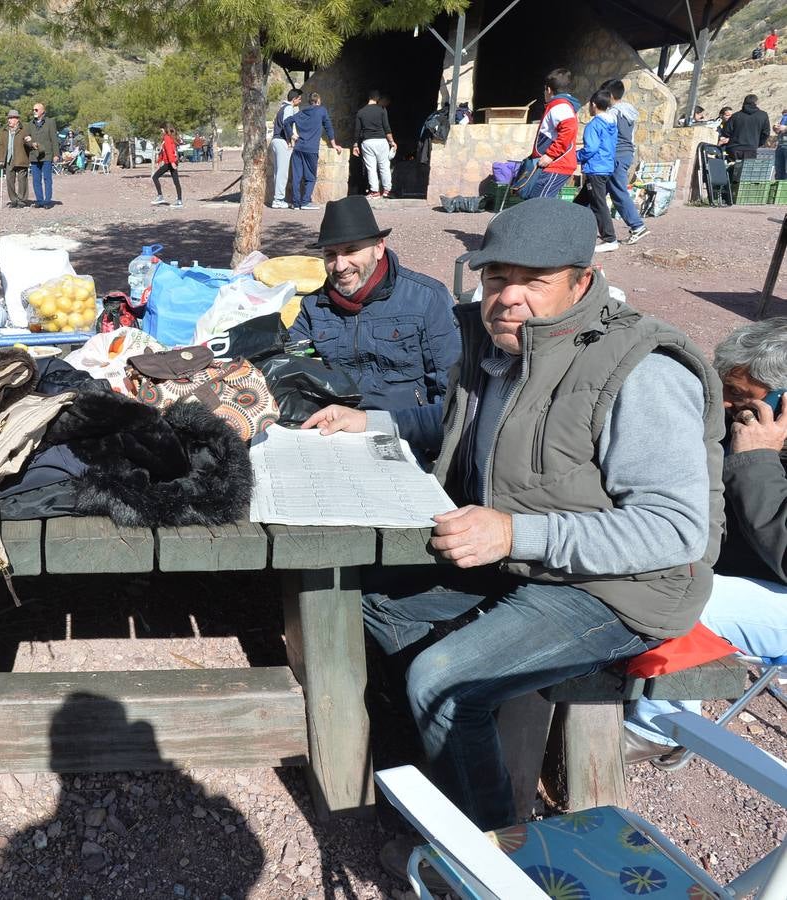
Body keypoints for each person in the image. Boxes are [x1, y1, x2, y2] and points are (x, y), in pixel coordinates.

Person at [308, 198, 722, 857]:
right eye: (497, 277)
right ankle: (453, 759)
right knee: (370, 602)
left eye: (534, 280)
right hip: (524, 562)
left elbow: (673, 531)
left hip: (619, 588)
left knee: (442, 677)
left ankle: (495, 856)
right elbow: (459, 431)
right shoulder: (488, 340)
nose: (508, 297)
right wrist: (375, 423)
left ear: (580, 283)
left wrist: (515, 535)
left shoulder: (639, 370)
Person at [625, 319, 787, 764]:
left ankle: (658, 727)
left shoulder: (759, 444)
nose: (724, 403)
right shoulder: (744, 424)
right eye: (723, 386)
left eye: (740, 397)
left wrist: (756, 460)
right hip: (745, 572)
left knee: (688, 596)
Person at [285, 195, 459, 451]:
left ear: (379, 248)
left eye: (351, 250)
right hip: (334, 435)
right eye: (331, 254)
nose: (340, 265)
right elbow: (288, 359)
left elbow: (452, 397)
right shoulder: (314, 307)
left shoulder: (426, 299)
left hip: (406, 436)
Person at [518, 69, 580, 199]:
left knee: (540, 204)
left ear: (549, 89)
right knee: (538, 202)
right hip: (553, 164)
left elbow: (569, 129)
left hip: (556, 165)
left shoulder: (560, 106)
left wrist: (550, 155)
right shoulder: (558, 105)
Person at [600, 79, 648, 245]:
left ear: (610, 95)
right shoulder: (628, 112)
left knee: (618, 191)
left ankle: (637, 226)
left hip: (616, 155)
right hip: (626, 153)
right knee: (596, 192)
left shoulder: (613, 113)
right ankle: (578, 223)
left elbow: (608, 137)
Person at [575, 89, 620, 253]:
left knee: (598, 204)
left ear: (593, 105)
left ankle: (610, 238)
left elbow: (591, 148)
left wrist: (575, 157)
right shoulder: (612, 124)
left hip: (595, 169)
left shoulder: (593, 125)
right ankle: (571, 231)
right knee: (579, 204)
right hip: (606, 167)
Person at [288, 91, 338, 211]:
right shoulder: (321, 110)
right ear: (318, 101)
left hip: (298, 148)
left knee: (297, 177)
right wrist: (334, 144)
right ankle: (305, 202)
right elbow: (328, 127)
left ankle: (295, 203)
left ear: (309, 102)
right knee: (310, 177)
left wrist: (292, 135)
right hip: (311, 149)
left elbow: (286, 122)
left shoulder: (302, 112)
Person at [353, 89, 396, 199]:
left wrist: (355, 145)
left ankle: (374, 192)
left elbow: (357, 130)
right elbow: (387, 128)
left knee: (371, 168)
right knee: (384, 166)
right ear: (377, 98)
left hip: (367, 142)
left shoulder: (360, 112)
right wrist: (392, 142)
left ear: (369, 98)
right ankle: (387, 190)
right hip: (381, 141)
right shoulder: (382, 110)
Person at [270, 89, 303, 208]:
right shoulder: (289, 108)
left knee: (277, 172)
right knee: (282, 172)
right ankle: (278, 200)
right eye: (299, 99)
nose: (300, 101)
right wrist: (291, 139)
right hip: (282, 141)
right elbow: (287, 124)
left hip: (275, 141)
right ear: (294, 99)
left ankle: (277, 198)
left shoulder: (281, 108)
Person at [26, 101, 58, 209]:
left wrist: (56, 154)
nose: (34, 111)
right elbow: (26, 138)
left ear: (42, 111)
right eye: (33, 110)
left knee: (47, 179)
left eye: (36, 109)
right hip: (34, 156)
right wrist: (31, 143)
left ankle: (47, 201)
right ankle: (39, 201)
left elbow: (54, 139)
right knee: (36, 180)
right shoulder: (30, 124)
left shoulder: (50, 122)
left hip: (47, 155)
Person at [0, 110, 31, 208]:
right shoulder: (4, 131)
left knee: (22, 180)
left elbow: (29, 142)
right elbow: (1, 146)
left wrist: (29, 141)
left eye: (12, 118)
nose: (9, 120)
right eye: (9, 118)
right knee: (9, 180)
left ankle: (22, 200)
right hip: (8, 159)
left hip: (21, 157)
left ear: (17, 119)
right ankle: (14, 200)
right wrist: (1, 159)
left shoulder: (24, 129)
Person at [724, 94, 772, 162]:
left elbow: (726, 132)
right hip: (751, 149)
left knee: (732, 170)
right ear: (756, 103)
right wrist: (757, 143)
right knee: (747, 171)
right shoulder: (763, 115)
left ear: (744, 103)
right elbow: (766, 133)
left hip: (734, 148)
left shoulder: (735, 116)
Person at [151, 125, 184, 208]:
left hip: (170, 162)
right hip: (171, 161)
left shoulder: (167, 137)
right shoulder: (169, 137)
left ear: (164, 130)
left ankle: (160, 196)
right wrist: (159, 160)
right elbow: (164, 151)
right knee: (176, 181)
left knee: (155, 177)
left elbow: (169, 151)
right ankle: (179, 201)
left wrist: (172, 162)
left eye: (161, 129)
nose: (161, 131)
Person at [775, 108, 787, 181]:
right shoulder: (784, 116)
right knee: (779, 172)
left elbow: (784, 128)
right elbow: (778, 128)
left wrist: (785, 128)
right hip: (780, 145)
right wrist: (775, 127)